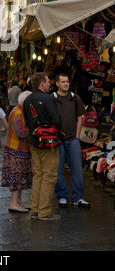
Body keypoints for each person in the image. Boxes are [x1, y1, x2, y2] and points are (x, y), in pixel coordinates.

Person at [23, 72, 62, 220]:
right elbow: (56, 119)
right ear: (42, 84)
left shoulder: (27, 100)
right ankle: (44, 211)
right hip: (48, 142)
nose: (49, 84)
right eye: (47, 82)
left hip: (34, 140)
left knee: (38, 175)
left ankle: (35, 209)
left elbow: (27, 121)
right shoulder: (46, 98)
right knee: (49, 175)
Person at [52, 73, 90, 209]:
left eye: (67, 82)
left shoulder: (75, 98)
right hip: (59, 140)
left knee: (77, 169)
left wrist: (77, 136)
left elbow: (80, 117)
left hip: (73, 139)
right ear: (57, 83)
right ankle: (62, 195)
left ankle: (77, 197)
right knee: (58, 169)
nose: (66, 84)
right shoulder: (53, 98)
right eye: (63, 82)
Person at [1, 91, 33, 212]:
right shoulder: (19, 113)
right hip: (17, 149)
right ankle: (14, 203)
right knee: (17, 177)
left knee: (18, 177)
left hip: (16, 148)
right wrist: (33, 129)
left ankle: (18, 202)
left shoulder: (17, 110)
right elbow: (20, 132)